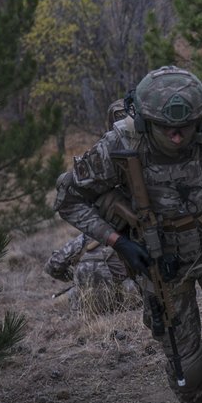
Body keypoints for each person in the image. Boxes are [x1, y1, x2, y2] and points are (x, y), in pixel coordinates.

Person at [54, 66, 202, 403]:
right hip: (158, 261)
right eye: (165, 128)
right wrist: (116, 241)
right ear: (143, 121)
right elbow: (69, 199)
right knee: (184, 359)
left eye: (186, 126)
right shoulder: (119, 145)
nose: (176, 135)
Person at [46, 99, 134, 297]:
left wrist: (79, 278)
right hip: (128, 294)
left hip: (85, 297)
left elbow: (53, 266)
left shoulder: (89, 236)